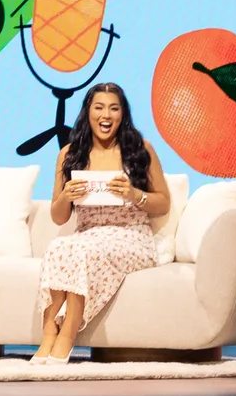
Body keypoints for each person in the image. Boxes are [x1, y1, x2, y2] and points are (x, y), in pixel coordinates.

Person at [34, 82, 171, 363]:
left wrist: (134, 194)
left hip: (131, 236)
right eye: (99, 108)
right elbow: (58, 216)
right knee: (58, 247)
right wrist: (66, 196)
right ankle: (48, 333)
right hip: (88, 234)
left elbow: (163, 203)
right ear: (88, 112)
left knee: (82, 250)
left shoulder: (140, 149)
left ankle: (67, 335)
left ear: (123, 114)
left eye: (113, 108)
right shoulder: (70, 154)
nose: (106, 115)